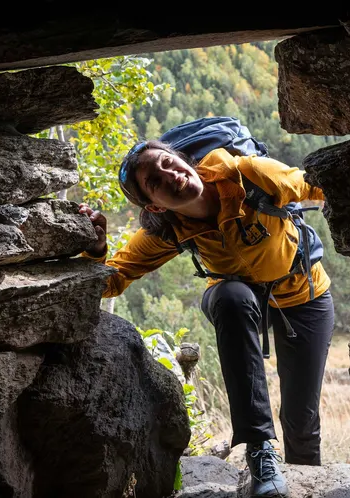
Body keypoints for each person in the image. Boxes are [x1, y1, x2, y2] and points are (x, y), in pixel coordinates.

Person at [78, 139, 334, 497]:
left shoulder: (250, 176)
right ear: (155, 205)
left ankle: (308, 483)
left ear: (183, 160)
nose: (169, 174)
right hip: (237, 299)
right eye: (154, 181)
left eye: (167, 162)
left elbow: (319, 186)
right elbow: (111, 282)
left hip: (304, 293)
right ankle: (259, 450)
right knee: (231, 297)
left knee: (301, 417)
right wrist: (96, 248)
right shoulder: (169, 229)